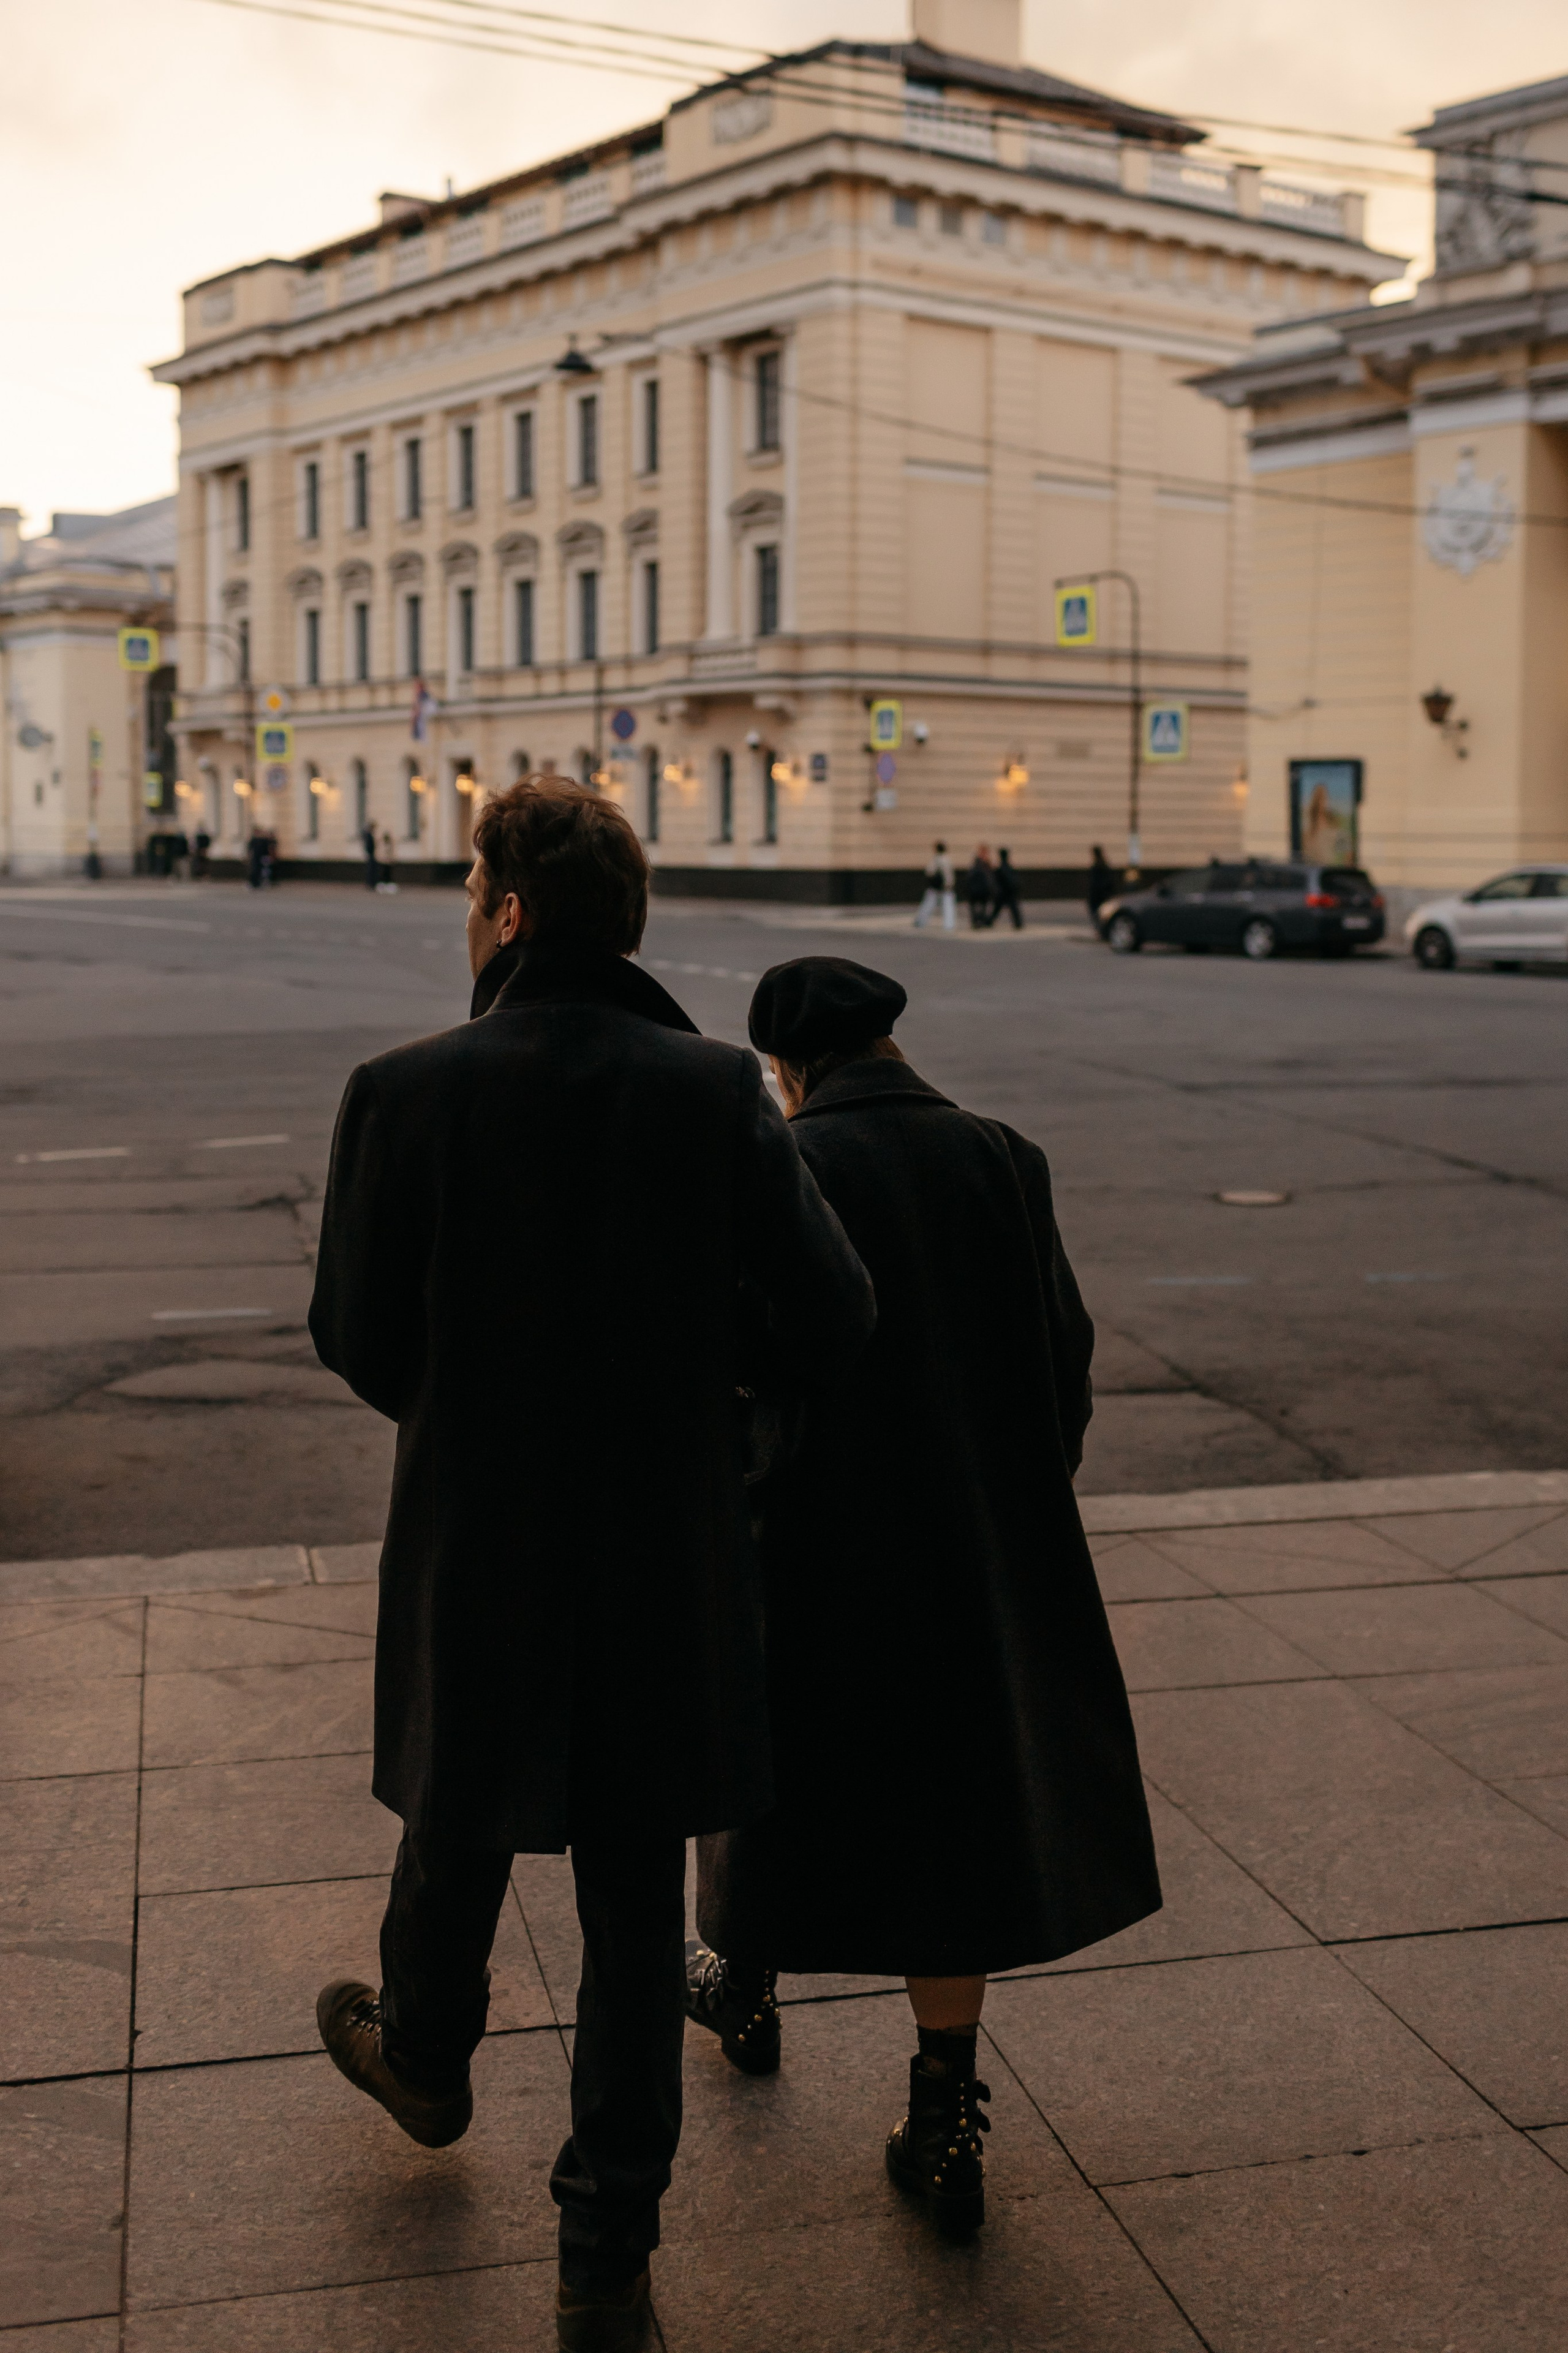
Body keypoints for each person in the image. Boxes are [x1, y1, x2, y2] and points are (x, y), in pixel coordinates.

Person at [308, 782, 873, 2353]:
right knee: (631, 1897)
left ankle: (424, 2053)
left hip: (478, 1530)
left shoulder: (402, 1088)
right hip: (660, 1547)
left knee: (458, 1800)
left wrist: (473, 1400)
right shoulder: (710, 1092)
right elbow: (832, 1310)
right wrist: (724, 1407)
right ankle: (602, 2254)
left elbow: (355, 1336)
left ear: (504, 914)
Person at [688, 956, 1159, 2243]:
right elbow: (1060, 1361)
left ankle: (738, 1984)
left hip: (814, 1540)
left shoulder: (789, 1166)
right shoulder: (1003, 1157)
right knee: (950, 1826)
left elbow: (746, 1364)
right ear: (888, 1038)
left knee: (769, 1777)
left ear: (786, 1067)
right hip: (971, 1548)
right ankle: (943, 2114)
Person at [913, 841, 956, 931]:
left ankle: (920, 921)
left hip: (936, 887)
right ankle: (949, 925)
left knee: (928, 904)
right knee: (948, 907)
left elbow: (929, 872)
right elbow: (949, 876)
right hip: (946, 887)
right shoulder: (947, 860)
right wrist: (949, 884)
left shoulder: (936, 859)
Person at [992, 846, 1023, 930]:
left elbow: (1001, 879)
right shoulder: (1007, 866)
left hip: (1005, 892)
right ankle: (1018, 923)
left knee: (999, 908)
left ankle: (990, 921)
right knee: (1011, 908)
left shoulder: (1003, 867)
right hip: (1008, 891)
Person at [965, 844, 996, 930]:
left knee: (982, 906)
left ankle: (980, 921)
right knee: (975, 906)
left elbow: (991, 877)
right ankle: (977, 921)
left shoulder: (987, 864)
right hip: (976, 888)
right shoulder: (977, 863)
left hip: (984, 889)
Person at [1087, 844, 1117, 920]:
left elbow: (1095, 883)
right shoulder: (1104, 866)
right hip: (1103, 896)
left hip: (1098, 896)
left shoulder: (1098, 867)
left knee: (1099, 917)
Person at [361, 821, 380, 890]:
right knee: (371, 870)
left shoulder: (369, 835)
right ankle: (371, 884)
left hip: (371, 854)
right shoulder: (368, 835)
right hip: (371, 855)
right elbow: (369, 846)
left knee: (372, 870)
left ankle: (371, 884)